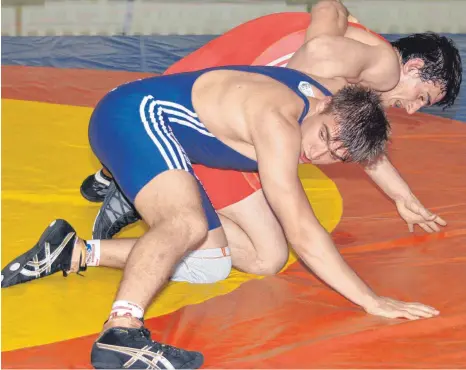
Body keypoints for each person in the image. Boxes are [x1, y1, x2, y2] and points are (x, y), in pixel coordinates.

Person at [3, 65, 441, 370]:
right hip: (134, 117)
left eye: (335, 156)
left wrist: (402, 195)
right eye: (324, 138)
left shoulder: (327, 97)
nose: (318, 154)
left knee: (256, 257)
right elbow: (303, 230)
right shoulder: (279, 124)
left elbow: (362, 142)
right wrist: (370, 300)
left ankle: (73, 252)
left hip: (182, 142)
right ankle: (121, 331)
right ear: (326, 108)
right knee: (186, 225)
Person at [82, 0, 461, 250]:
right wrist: (283, 98)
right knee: (265, 254)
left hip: (181, 88)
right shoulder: (382, 68)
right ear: (411, 68)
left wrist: (401, 196)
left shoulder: (364, 52)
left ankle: (114, 172)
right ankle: (135, 193)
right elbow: (316, 55)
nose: (411, 110)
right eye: (422, 97)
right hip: (205, 117)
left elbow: (328, 7)